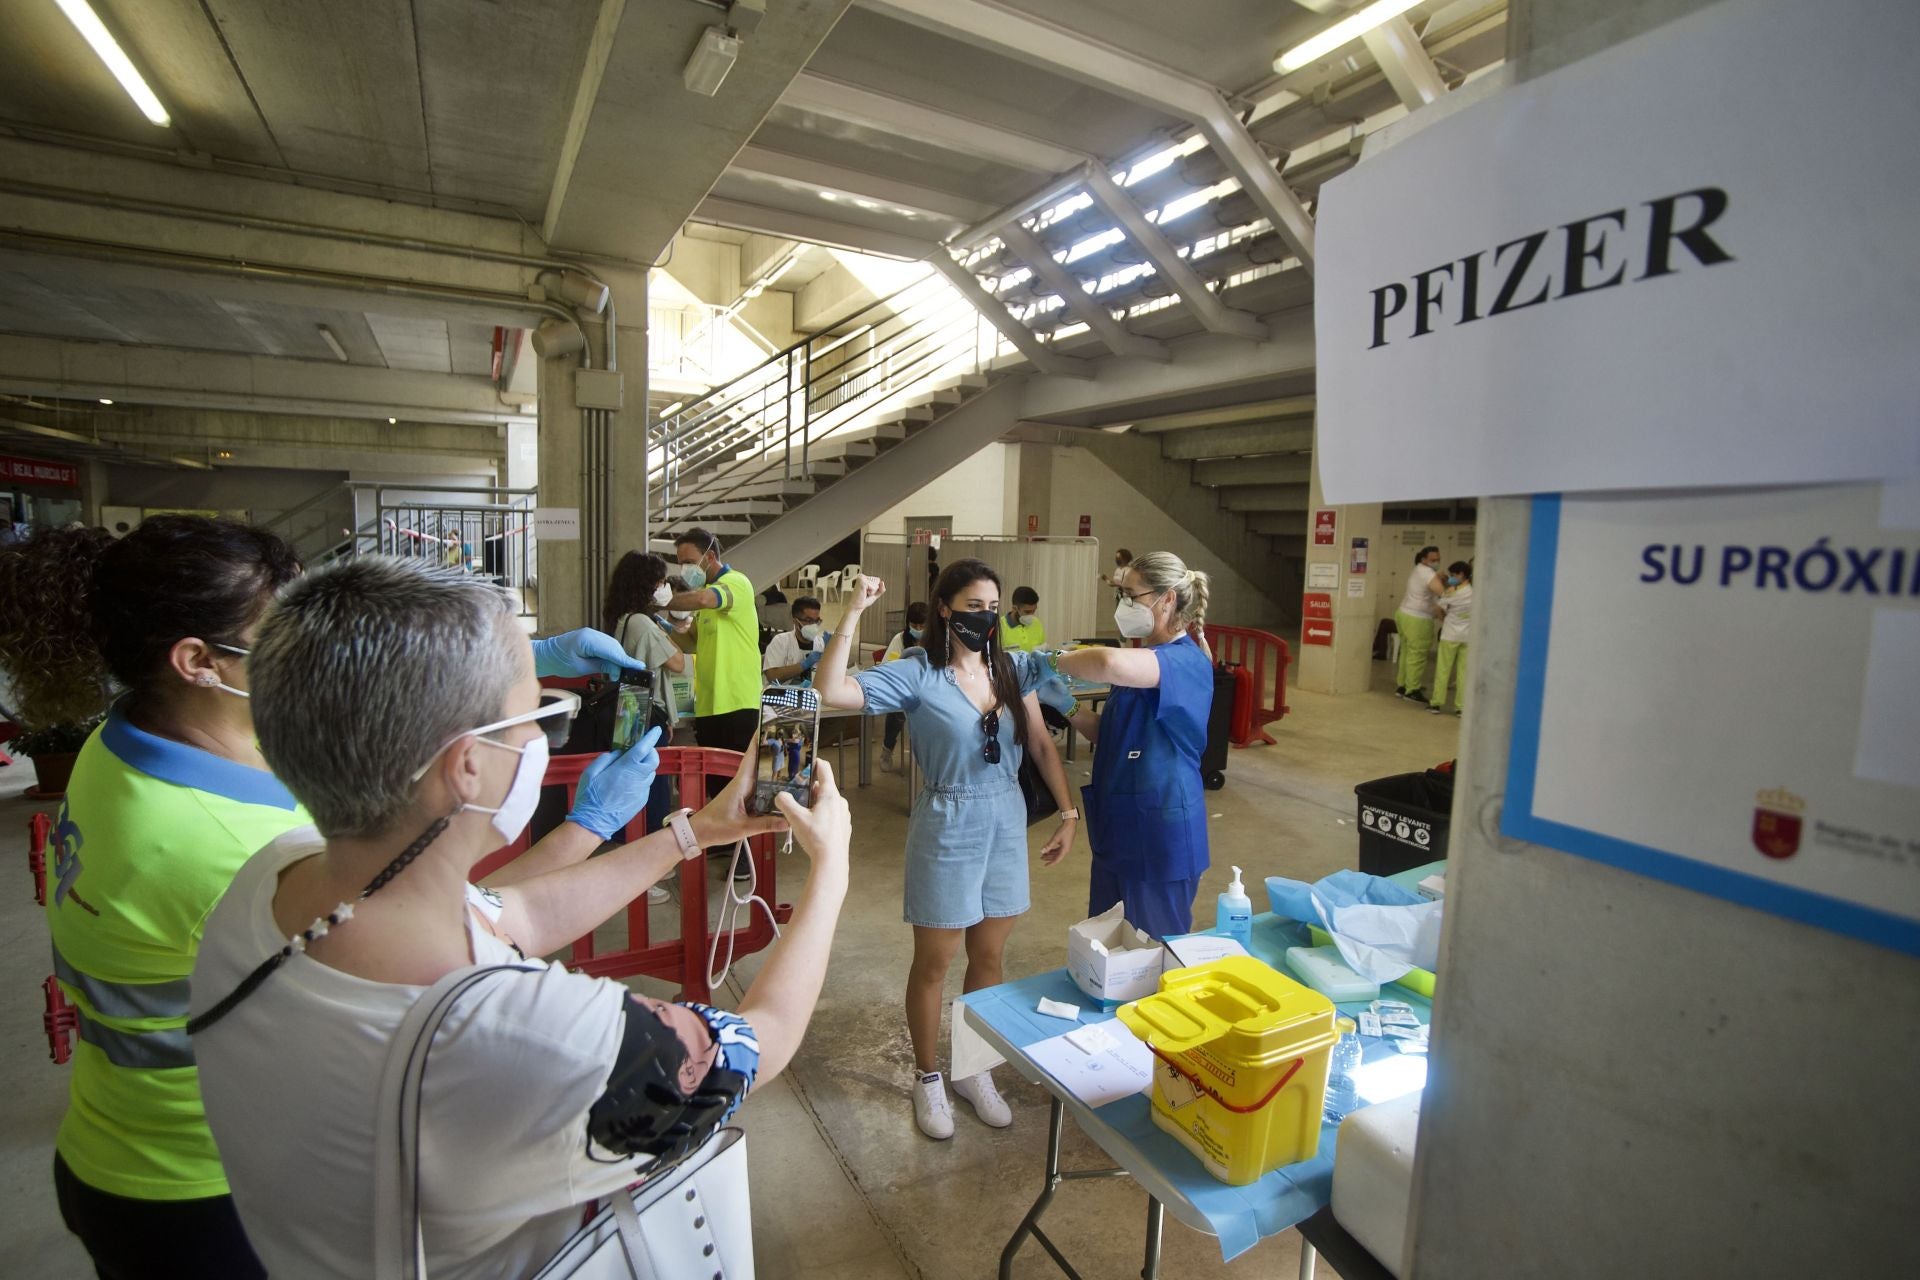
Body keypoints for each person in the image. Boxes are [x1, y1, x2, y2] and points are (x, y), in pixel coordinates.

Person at [188, 557, 852, 1280]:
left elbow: (513, 914)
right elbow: (763, 1041)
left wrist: (693, 833)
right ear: (467, 764)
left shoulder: (271, 880)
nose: (544, 740)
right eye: (539, 715)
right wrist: (832, 868)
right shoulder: (534, 1035)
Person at [813, 564, 1079, 1141]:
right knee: (935, 961)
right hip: (947, 822)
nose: (986, 615)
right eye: (974, 604)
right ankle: (928, 1076)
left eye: (993, 605)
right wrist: (853, 611)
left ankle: (972, 1069)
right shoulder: (917, 673)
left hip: (1006, 818)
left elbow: (1038, 740)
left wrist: (1068, 812)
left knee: (989, 957)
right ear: (944, 609)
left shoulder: (1011, 669)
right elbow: (830, 691)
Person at [1042, 551, 1215, 938]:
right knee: (1107, 951)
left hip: (1159, 834)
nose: (1124, 604)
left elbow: (1107, 663)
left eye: (1131, 595)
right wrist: (1065, 705)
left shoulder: (1184, 662)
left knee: (1152, 956)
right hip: (1120, 828)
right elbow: (1111, 734)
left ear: (1167, 598)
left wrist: (1053, 660)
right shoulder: (1146, 659)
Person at [665, 527, 758, 753]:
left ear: (710, 557)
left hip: (737, 702)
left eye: (690, 562)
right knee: (714, 785)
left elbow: (706, 599)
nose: (686, 569)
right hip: (708, 704)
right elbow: (691, 643)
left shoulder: (737, 582)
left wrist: (663, 601)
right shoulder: (703, 596)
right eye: (681, 564)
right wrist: (670, 625)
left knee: (736, 782)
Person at [601, 551, 688, 706]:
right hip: (648, 709)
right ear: (646, 586)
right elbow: (678, 663)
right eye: (661, 582)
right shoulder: (643, 623)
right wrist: (658, 627)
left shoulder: (623, 617)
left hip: (631, 706)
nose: (665, 587)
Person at [877, 601, 929, 773]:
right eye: (914, 625)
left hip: (929, 689)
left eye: (923, 625)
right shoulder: (899, 639)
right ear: (908, 624)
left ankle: (929, 756)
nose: (918, 629)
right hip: (904, 688)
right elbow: (888, 666)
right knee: (897, 713)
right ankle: (887, 749)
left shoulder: (936, 639)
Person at [1394, 545, 1445, 703]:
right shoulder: (1428, 573)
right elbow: (1442, 593)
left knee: (1407, 653)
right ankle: (1413, 690)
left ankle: (1403, 685)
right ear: (1424, 559)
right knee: (1417, 656)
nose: (1436, 562)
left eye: (1438, 559)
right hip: (1418, 619)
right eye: (1433, 560)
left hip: (1404, 614)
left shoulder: (1418, 569)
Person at [1429, 561, 1472, 716]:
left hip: (1450, 635)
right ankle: (1460, 707)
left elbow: (1439, 608)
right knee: (1463, 673)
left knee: (1443, 670)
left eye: (1453, 575)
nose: (1452, 578)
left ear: (1461, 574)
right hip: (1467, 637)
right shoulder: (1473, 591)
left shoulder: (1452, 592)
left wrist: (1444, 619)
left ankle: (1436, 703)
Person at [763, 596, 825, 683]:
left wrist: (834, 649)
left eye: (817, 621)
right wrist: (804, 664)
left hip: (812, 694)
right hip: (783, 694)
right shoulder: (780, 642)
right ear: (795, 621)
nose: (814, 625)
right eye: (808, 620)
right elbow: (772, 677)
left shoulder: (821, 644)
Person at [999, 585, 1046, 652]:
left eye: (1034, 611)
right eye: (1027, 612)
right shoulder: (1000, 627)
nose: (1031, 615)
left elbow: (1042, 653)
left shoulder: (1037, 623)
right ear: (1015, 609)